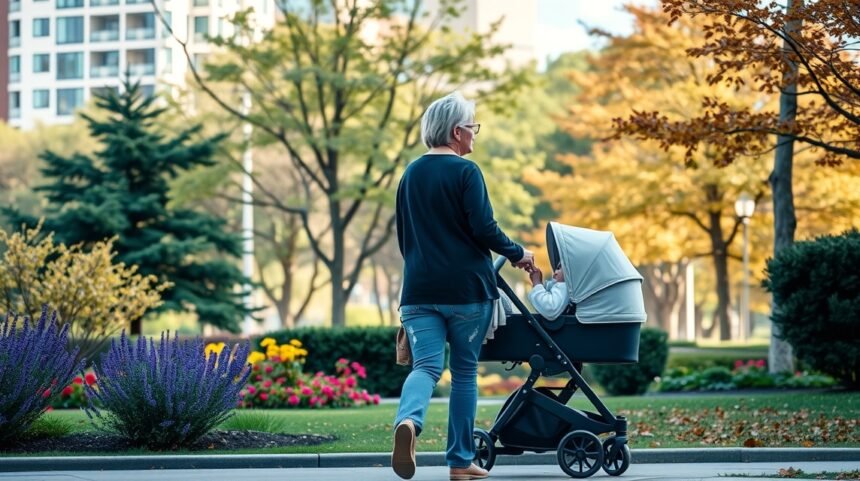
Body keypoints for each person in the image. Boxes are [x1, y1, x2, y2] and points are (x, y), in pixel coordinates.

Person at [392, 91, 534, 481]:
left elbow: (404, 237)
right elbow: (484, 228)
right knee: (465, 373)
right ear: (457, 132)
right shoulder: (466, 172)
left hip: (419, 291)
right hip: (466, 292)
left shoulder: (410, 174)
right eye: (473, 127)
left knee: (426, 367)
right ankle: (459, 462)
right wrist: (518, 253)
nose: (475, 134)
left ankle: (408, 421)